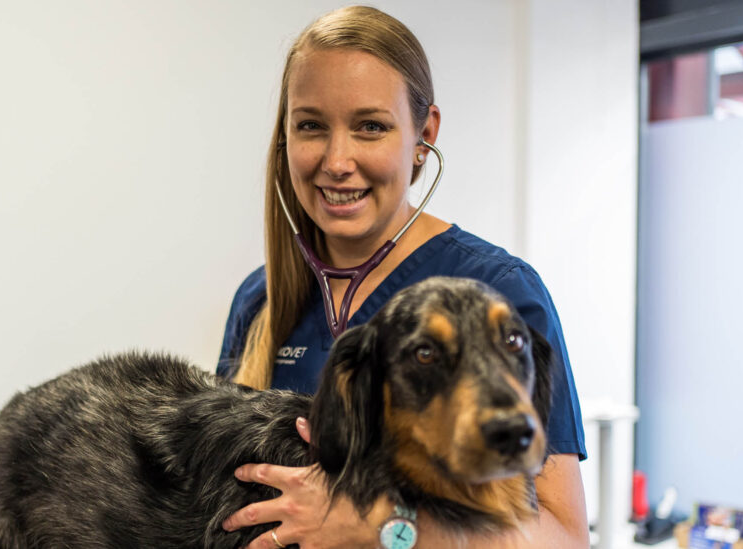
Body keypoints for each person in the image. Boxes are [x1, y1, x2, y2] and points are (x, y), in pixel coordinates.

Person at [216, 6, 588, 548]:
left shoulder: (497, 292)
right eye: (312, 126)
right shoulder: (260, 297)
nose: (337, 160)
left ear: (423, 133)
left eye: (371, 127)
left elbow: (564, 539)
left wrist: (383, 527)